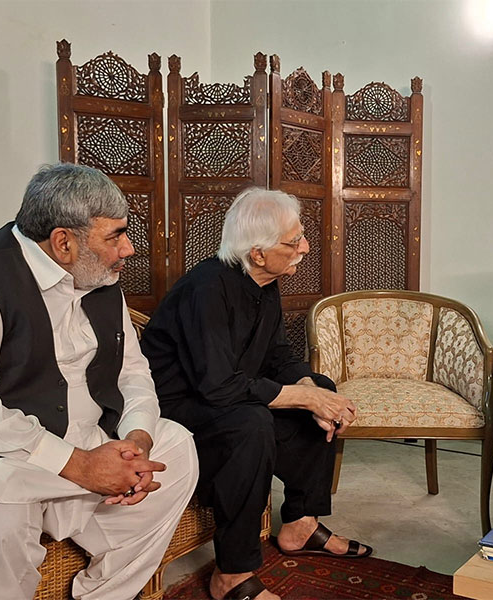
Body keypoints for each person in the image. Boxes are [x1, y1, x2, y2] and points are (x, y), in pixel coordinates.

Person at [0, 163, 198, 600]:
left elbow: (132, 371)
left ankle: (106, 594)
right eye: (115, 236)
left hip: (87, 438)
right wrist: (81, 466)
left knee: (177, 449)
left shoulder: (99, 275)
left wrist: (138, 439)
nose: (128, 249)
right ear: (63, 242)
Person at [141, 187, 372, 600]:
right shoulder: (206, 289)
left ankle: (300, 523)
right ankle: (231, 574)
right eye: (293, 242)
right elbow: (216, 385)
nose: (304, 248)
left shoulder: (264, 283)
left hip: (228, 394)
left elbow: (277, 354)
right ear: (258, 253)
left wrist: (310, 390)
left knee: (321, 387)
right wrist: (303, 399)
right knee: (252, 422)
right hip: (180, 407)